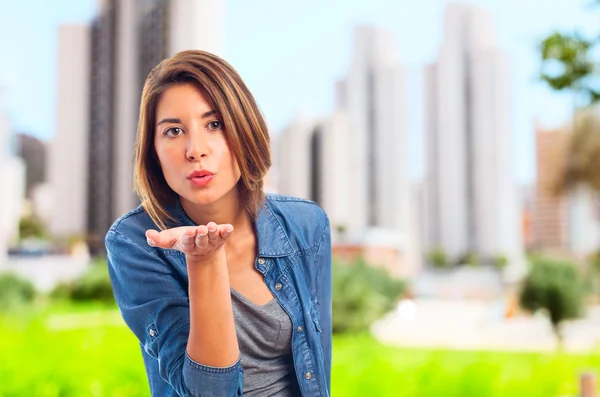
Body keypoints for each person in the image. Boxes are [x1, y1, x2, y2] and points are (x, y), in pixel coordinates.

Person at [105, 50, 332, 397]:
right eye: (174, 131)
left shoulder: (306, 225)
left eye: (214, 125)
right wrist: (203, 260)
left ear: (245, 128)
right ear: (153, 150)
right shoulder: (135, 241)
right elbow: (209, 392)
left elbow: (318, 368)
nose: (195, 149)